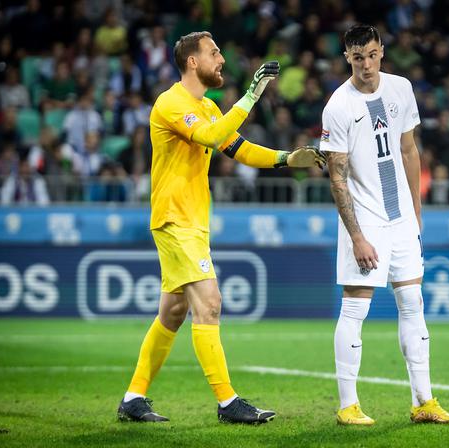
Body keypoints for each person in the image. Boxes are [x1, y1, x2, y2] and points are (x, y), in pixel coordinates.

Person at [117, 31, 324, 425]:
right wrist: (252, 95)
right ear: (192, 61)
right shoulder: (171, 103)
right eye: (214, 53)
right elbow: (210, 137)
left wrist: (286, 159)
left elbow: (239, 148)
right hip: (174, 219)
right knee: (209, 303)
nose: (222, 59)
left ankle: (133, 397)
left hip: (193, 222)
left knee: (174, 312)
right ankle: (228, 403)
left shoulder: (210, 108)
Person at [319, 25, 449, 426]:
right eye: (357, 57)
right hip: (364, 221)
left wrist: (416, 212)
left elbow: (408, 149)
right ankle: (348, 405)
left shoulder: (401, 88)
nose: (366, 64)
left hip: (401, 221)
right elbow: (337, 177)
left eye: (372, 54)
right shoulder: (338, 106)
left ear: (382, 51)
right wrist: (357, 235)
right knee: (355, 307)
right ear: (347, 57)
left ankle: (423, 402)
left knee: (413, 304)